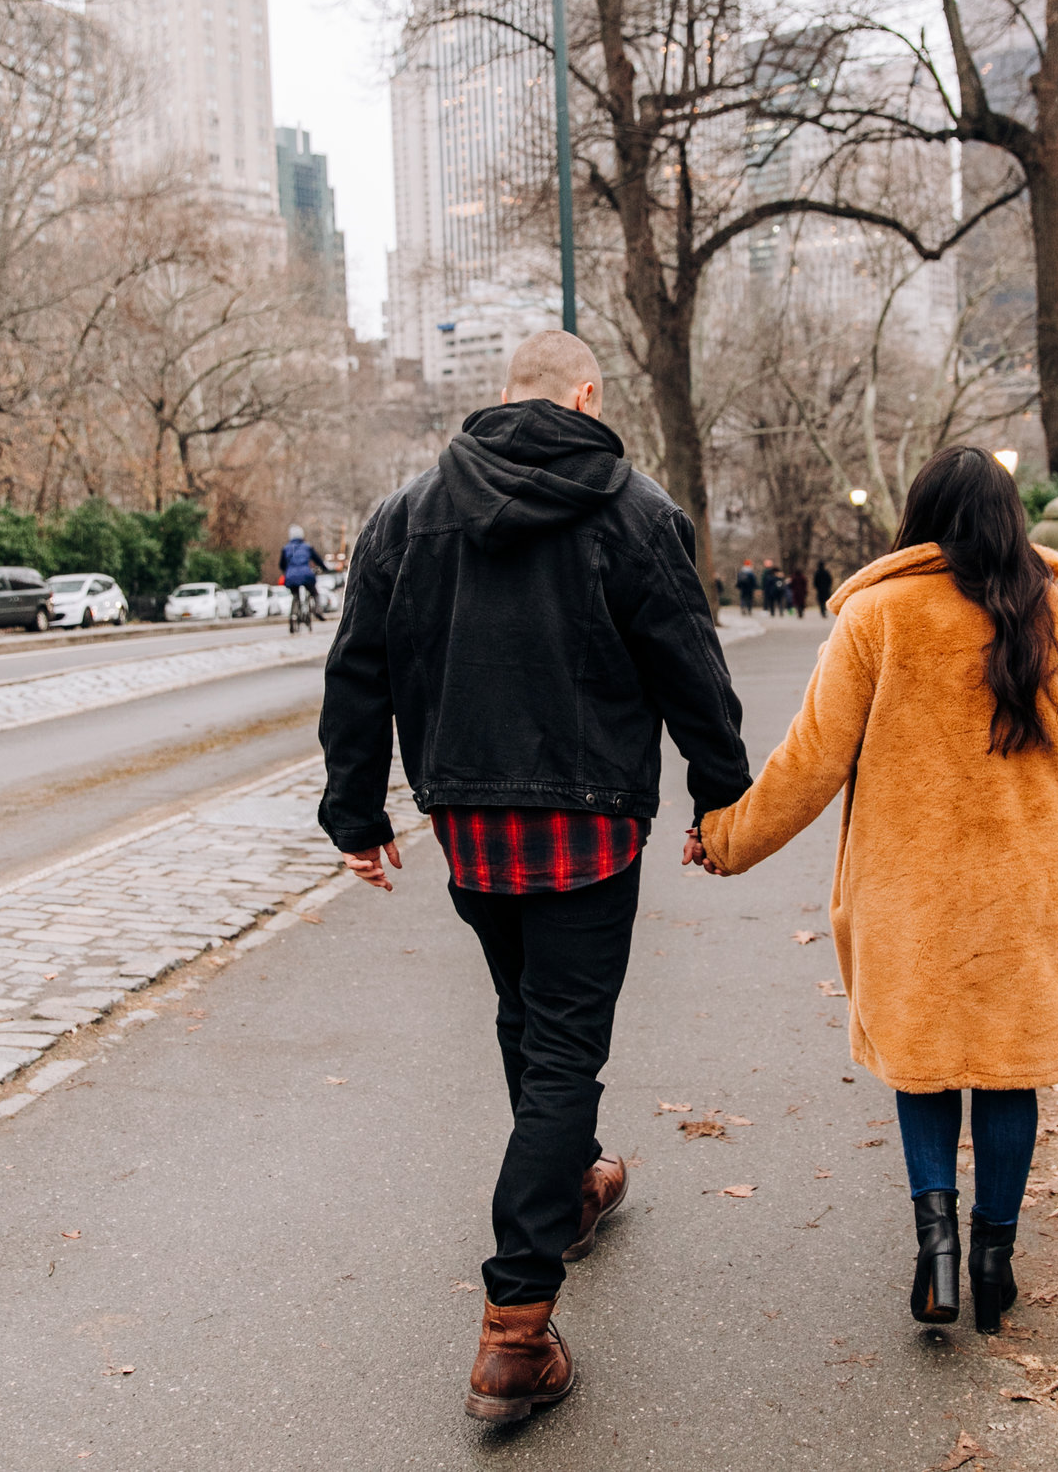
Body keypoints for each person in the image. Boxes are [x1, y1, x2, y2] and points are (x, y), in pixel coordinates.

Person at [318, 329, 752, 1422]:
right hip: (589, 823)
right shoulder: (635, 511)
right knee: (562, 1045)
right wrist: (718, 790)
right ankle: (516, 1322)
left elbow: (358, 667)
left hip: (468, 819)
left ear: (501, 393)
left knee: (526, 1014)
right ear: (587, 393)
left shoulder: (406, 516)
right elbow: (688, 657)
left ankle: (569, 1183)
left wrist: (356, 810)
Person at [685, 446, 1058, 1333]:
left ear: (920, 520)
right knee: (1011, 1076)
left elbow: (807, 765)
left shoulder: (877, 617)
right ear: (1013, 520)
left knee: (925, 1067)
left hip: (911, 894)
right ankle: (994, 1258)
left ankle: (935, 1253)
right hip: (1031, 894)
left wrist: (724, 840)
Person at [279, 526, 329, 625]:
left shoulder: (286, 548)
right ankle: (318, 610)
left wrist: (287, 571)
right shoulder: (307, 547)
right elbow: (318, 560)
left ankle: (293, 613)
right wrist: (325, 568)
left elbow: (282, 564)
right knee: (315, 593)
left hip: (291, 576)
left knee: (295, 595)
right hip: (307, 575)